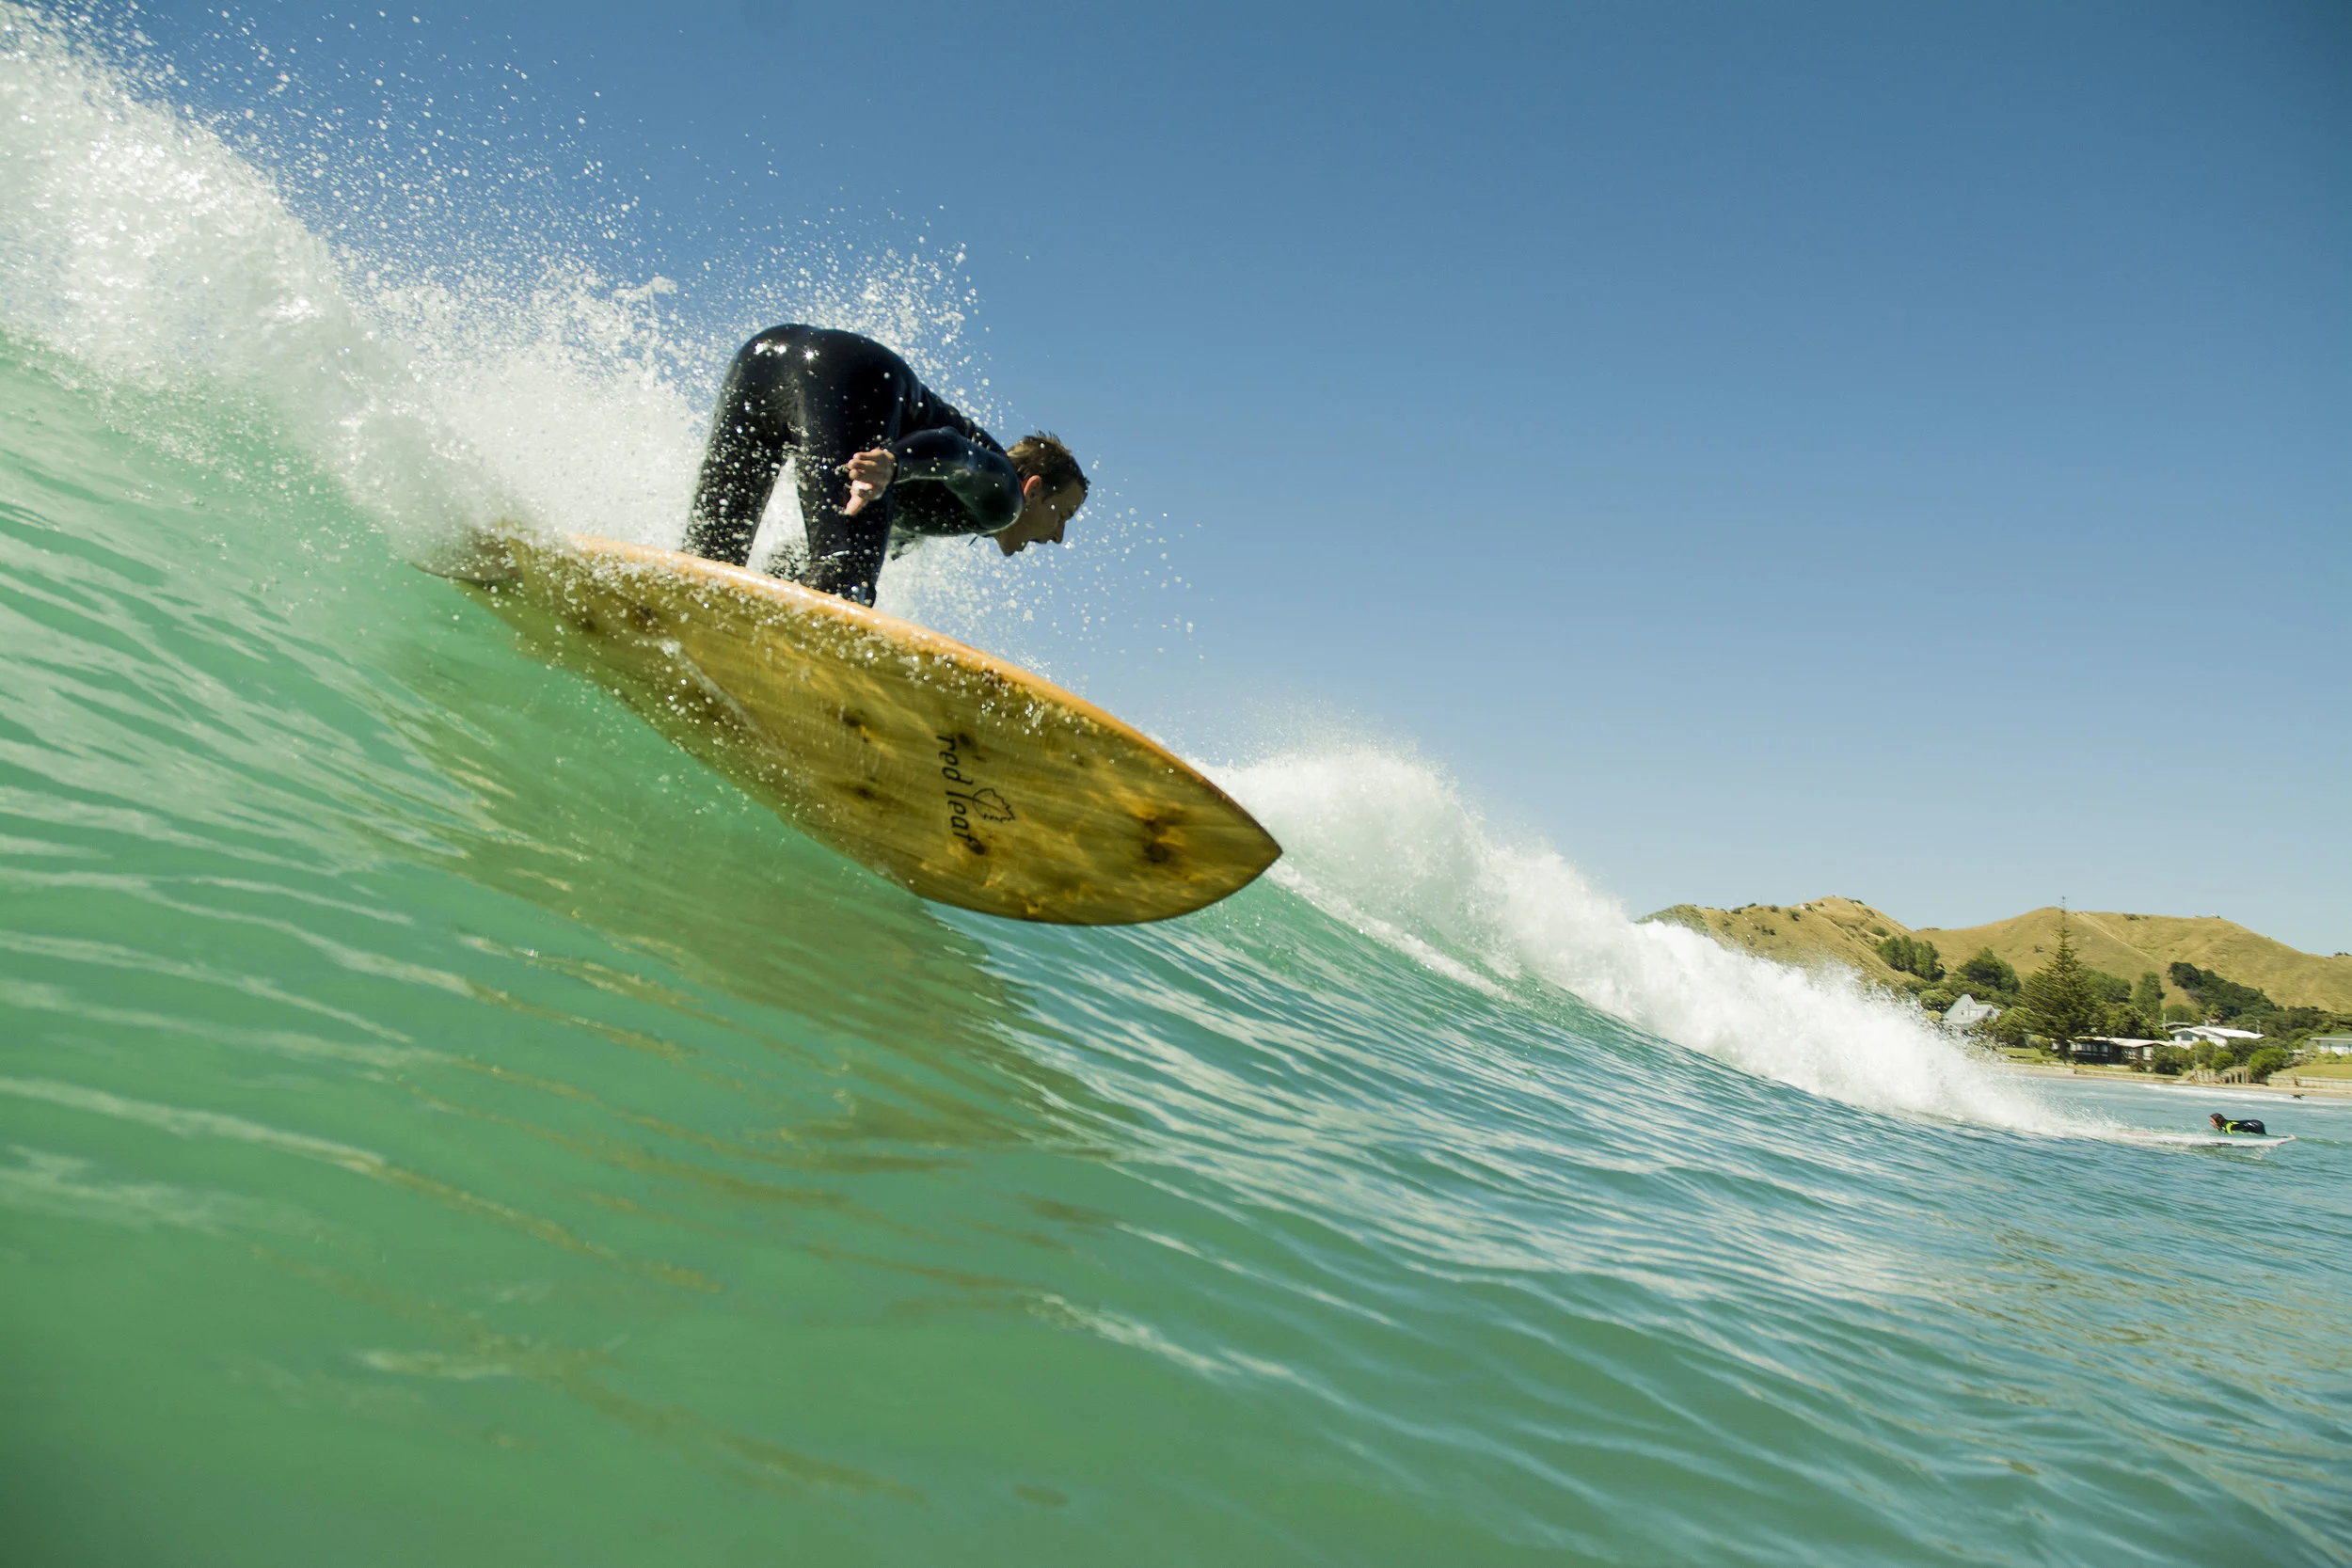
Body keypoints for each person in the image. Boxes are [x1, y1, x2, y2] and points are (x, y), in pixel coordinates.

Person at [685, 324, 1087, 606]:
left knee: (704, 565)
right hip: (850, 377)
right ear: (1033, 490)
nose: (1058, 536)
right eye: (1063, 514)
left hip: (763, 360)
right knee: (845, 581)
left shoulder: (916, 526)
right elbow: (954, 451)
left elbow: (797, 562)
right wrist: (894, 464)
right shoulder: (1006, 498)